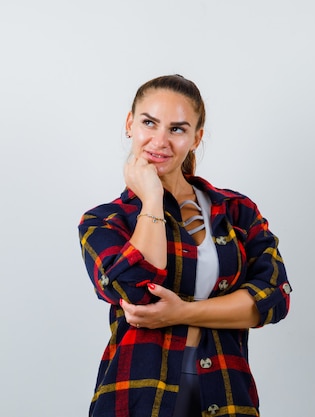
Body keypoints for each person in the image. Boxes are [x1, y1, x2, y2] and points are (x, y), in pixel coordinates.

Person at [78, 74, 292, 417]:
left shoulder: (237, 211)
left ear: (196, 138)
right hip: (137, 397)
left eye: (177, 129)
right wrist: (151, 198)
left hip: (227, 393)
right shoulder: (104, 221)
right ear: (130, 124)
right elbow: (137, 294)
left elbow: (274, 298)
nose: (160, 141)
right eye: (149, 123)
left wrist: (182, 313)